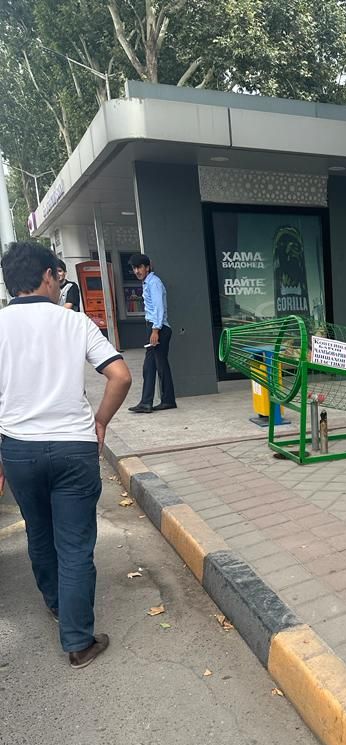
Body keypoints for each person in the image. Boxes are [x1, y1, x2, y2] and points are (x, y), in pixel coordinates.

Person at [0, 241, 132, 668]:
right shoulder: (75, 323)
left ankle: (56, 603)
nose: (59, 283)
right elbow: (120, 375)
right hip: (74, 447)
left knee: (38, 532)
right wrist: (101, 421)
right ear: (46, 276)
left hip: (19, 448)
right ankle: (77, 641)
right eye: (57, 276)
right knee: (74, 544)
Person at [128, 253, 176, 412]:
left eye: (139, 267)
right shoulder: (147, 283)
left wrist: (155, 330)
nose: (137, 271)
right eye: (134, 268)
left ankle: (168, 400)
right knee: (149, 367)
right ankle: (146, 402)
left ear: (147, 267)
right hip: (154, 327)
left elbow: (158, 308)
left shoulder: (154, 282)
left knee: (161, 366)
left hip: (159, 329)